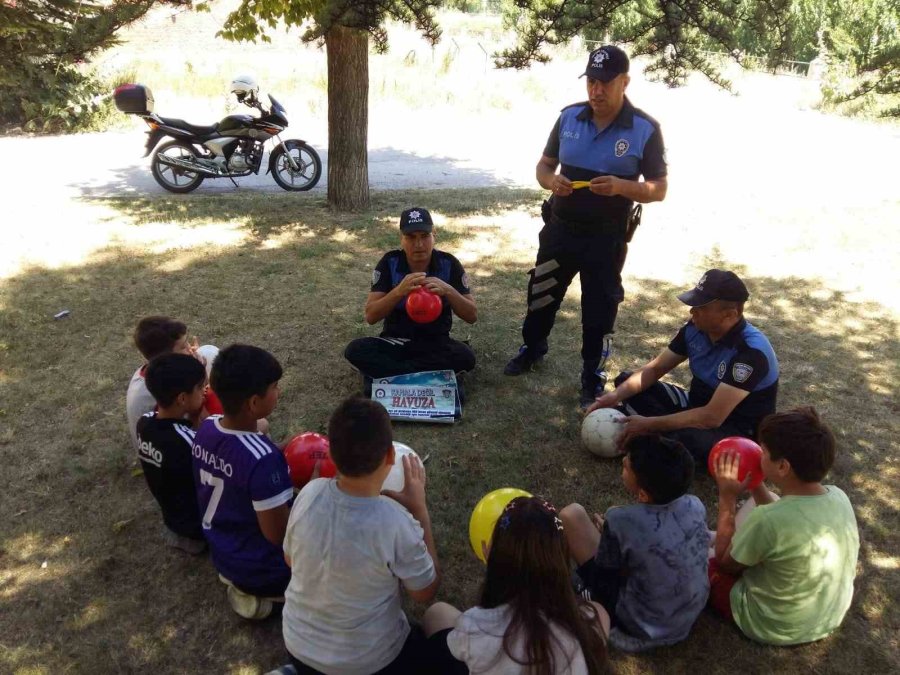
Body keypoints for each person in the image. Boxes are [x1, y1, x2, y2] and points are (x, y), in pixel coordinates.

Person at [503, 45, 668, 410]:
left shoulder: (644, 129)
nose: (596, 91)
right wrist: (551, 183)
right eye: (591, 82)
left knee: (599, 307)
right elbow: (543, 168)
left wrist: (623, 187)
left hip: (607, 238)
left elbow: (659, 188)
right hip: (560, 229)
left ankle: (591, 373)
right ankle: (533, 348)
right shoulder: (568, 119)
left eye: (605, 83)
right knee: (541, 293)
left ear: (624, 82)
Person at [282, 397, 439, 674]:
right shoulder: (396, 521)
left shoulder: (307, 494)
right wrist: (420, 512)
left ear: (330, 454)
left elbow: (290, 560)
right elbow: (425, 591)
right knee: (431, 638)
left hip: (298, 648)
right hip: (372, 663)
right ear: (391, 456)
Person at [587, 269, 779, 464]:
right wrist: (615, 396)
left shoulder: (751, 353)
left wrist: (650, 424)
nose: (692, 311)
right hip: (696, 406)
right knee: (627, 383)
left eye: (700, 307)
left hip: (735, 430)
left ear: (730, 315)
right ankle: (660, 434)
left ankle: (656, 435)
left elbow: (712, 417)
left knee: (688, 442)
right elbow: (654, 370)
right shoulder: (695, 329)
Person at [709, 407, 860, 645]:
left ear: (783, 467)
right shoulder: (839, 496)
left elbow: (724, 564)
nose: (758, 454)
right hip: (825, 617)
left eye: (764, 452)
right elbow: (782, 520)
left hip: (771, 624)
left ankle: (718, 539)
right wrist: (756, 483)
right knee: (772, 503)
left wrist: (727, 498)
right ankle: (723, 537)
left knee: (701, 561)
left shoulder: (769, 520)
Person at [423, 496, 608, 674]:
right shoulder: (588, 619)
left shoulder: (475, 626)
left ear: (491, 555)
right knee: (599, 612)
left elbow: (450, 652)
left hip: (473, 644)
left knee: (437, 613)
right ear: (560, 557)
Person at [560, 435, 709, 652]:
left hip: (640, 625)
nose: (622, 465)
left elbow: (605, 580)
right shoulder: (695, 504)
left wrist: (612, 533)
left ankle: (581, 593)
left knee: (571, 515)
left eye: (626, 467)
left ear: (643, 494)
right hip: (687, 614)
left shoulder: (619, 519)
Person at [191, 344, 293, 620]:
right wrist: (312, 491)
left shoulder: (207, 427)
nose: (278, 392)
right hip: (262, 569)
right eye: (274, 387)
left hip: (222, 551)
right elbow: (279, 535)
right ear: (253, 403)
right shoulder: (263, 461)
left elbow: (236, 470)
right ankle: (268, 597)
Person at [344, 207, 477, 390]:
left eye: (424, 236)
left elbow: (472, 316)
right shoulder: (390, 263)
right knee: (355, 350)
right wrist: (398, 291)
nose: (419, 244)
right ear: (402, 239)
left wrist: (448, 290)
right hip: (397, 342)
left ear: (434, 235)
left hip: (435, 342)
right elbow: (371, 316)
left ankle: (387, 379)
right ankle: (433, 377)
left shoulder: (449, 263)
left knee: (466, 357)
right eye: (411, 237)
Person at [136, 352, 208, 555]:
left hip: (173, 518)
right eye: (200, 387)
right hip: (198, 526)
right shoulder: (188, 441)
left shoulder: (144, 423)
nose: (204, 391)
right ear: (182, 398)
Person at [126, 315, 222, 452]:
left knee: (207, 352)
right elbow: (196, 417)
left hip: (166, 436)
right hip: (176, 450)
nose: (190, 348)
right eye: (183, 346)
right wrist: (199, 372)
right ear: (166, 357)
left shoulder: (151, 372)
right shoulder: (164, 391)